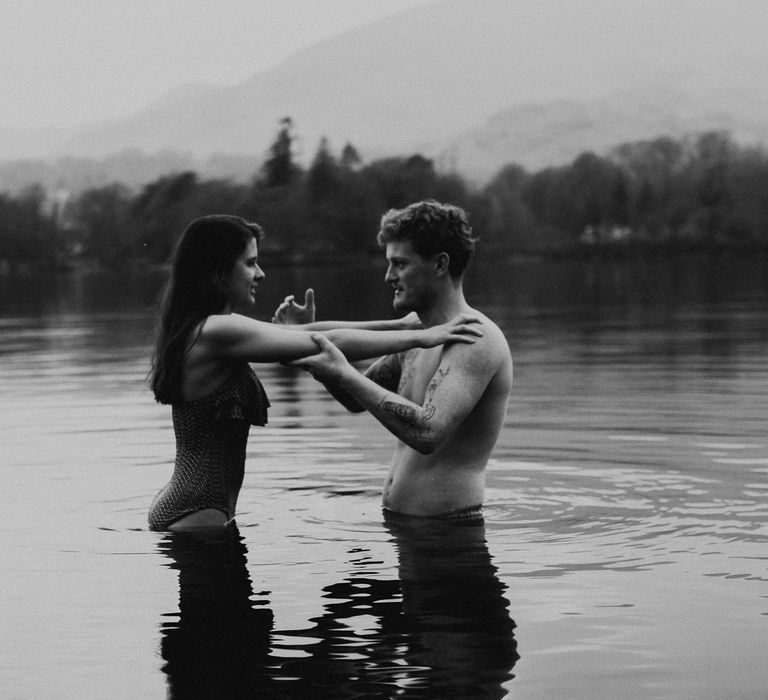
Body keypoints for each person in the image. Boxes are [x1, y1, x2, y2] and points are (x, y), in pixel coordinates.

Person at [147, 214, 482, 532]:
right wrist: (422, 336)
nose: (261, 273)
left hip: (191, 509)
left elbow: (312, 334)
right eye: (250, 264)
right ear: (218, 272)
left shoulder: (210, 329)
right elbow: (325, 342)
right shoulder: (218, 331)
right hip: (197, 515)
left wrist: (398, 324)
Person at [284, 200, 513, 519]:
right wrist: (319, 361)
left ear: (440, 265)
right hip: (408, 533)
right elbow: (356, 399)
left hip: (451, 537)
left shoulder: (475, 337)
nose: (388, 276)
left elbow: (427, 433)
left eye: (400, 264)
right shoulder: (418, 335)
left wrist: (345, 373)